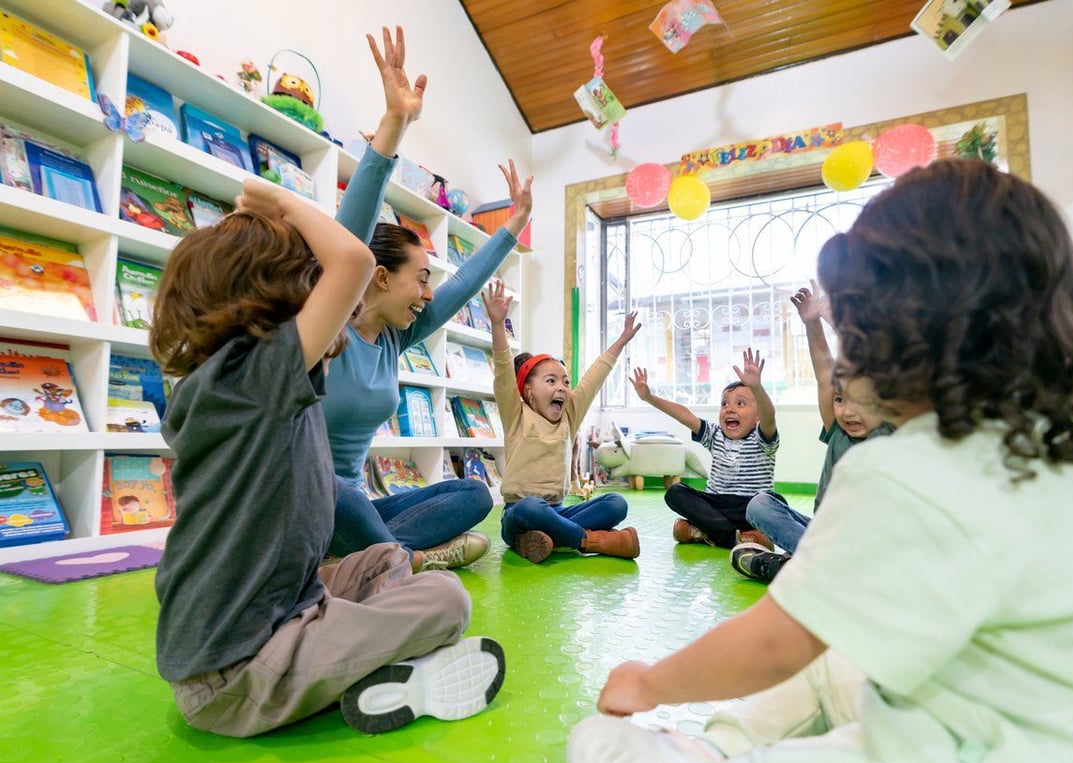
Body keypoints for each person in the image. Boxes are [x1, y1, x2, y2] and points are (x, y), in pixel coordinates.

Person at [567, 158, 1073, 763]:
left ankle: (706, 748)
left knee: (597, 743)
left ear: (886, 339)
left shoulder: (899, 468)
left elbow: (777, 642)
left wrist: (649, 682)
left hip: (959, 748)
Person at [148, 28, 504, 739]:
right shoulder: (249, 376)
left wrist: (394, 127)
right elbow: (351, 258)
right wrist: (275, 202)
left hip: (290, 601)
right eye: (300, 281)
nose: (319, 291)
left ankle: (364, 659)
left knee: (385, 560)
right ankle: (381, 670)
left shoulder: (253, 373)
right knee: (446, 602)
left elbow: (352, 262)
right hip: (235, 672)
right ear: (264, 300)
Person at [322, 43, 534, 571]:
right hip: (305, 502)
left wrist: (512, 226)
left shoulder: (395, 339)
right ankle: (398, 558)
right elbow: (352, 234)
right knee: (337, 492)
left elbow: (462, 284)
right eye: (419, 279)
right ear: (378, 276)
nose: (428, 293)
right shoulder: (323, 325)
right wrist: (395, 122)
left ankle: (377, 558)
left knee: (473, 494)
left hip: (355, 510)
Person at [731, 281, 894, 583]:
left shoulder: (888, 434)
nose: (847, 411)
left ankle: (797, 566)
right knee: (760, 505)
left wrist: (835, 322)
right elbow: (824, 372)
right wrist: (812, 323)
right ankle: (816, 565)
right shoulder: (838, 431)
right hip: (824, 536)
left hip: (870, 546)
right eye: (840, 400)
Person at [483, 280, 642, 563]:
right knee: (531, 507)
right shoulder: (516, 414)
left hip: (559, 511)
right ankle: (589, 541)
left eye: (566, 382)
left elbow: (594, 378)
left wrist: (620, 342)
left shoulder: (569, 414)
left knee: (616, 503)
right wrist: (498, 324)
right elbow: (504, 369)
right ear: (528, 391)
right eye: (551, 381)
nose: (562, 388)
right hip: (519, 512)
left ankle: (545, 540)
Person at [629, 351, 779, 550]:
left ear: (757, 415)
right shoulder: (715, 435)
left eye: (740, 403)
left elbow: (769, 416)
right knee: (675, 492)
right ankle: (733, 537)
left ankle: (703, 532)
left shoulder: (762, 439)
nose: (730, 409)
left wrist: (757, 388)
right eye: (724, 404)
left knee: (773, 502)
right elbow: (684, 415)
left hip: (749, 508)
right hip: (716, 506)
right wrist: (650, 398)